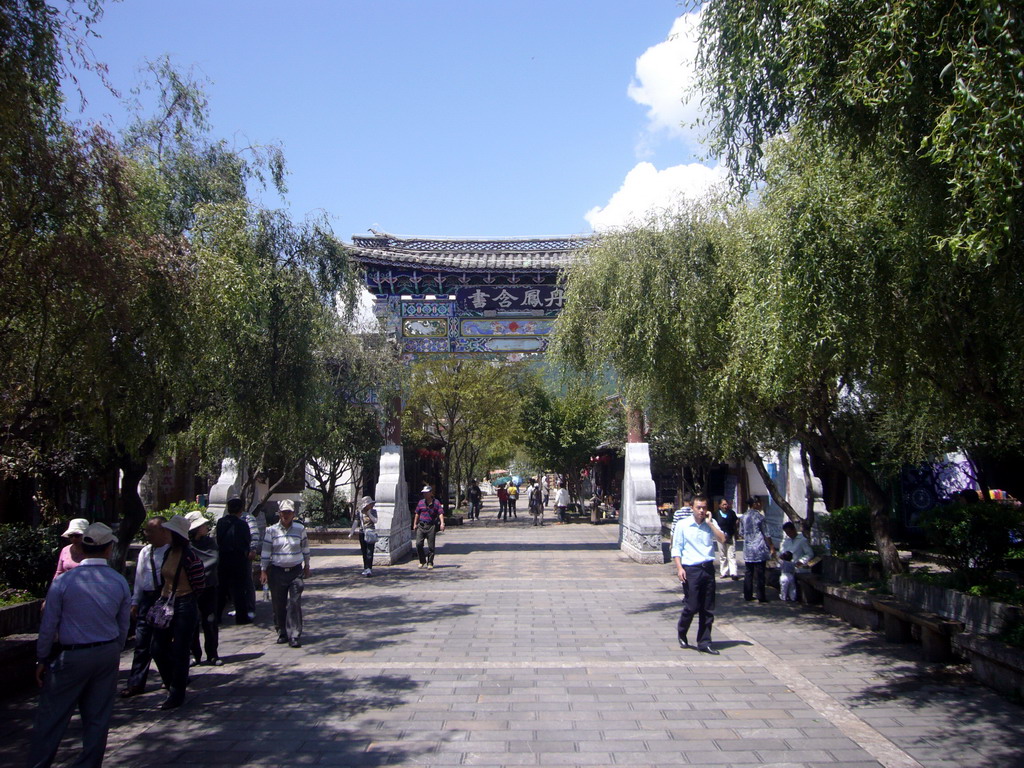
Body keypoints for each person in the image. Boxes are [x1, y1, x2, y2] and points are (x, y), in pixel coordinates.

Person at [28, 522, 130, 768]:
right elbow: (124, 624)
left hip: (72, 654)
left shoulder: (65, 582)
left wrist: (42, 657)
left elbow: (49, 624)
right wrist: (115, 648)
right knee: (97, 718)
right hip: (106, 652)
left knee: (52, 718)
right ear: (108, 550)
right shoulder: (118, 581)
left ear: (83, 549)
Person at [151, 515, 205, 709]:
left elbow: (199, 584)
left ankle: (177, 693)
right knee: (157, 647)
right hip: (166, 604)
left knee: (181, 649)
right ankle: (173, 679)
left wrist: (186, 598)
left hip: (184, 604)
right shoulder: (167, 553)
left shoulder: (190, 557)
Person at [671, 494, 726, 654]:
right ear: (692, 508)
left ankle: (704, 642)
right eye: (698, 508)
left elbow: (723, 539)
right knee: (692, 605)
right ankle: (682, 630)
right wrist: (679, 568)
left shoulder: (711, 523)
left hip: (707, 567)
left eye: (704, 508)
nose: (701, 511)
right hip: (691, 569)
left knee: (708, 608)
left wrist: (710, 524)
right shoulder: (683, 525)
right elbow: (677, 548)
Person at [121, 516, 170, 697]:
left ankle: (170, 678)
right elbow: (140, 580)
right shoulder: (145, 552)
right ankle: (136, 683)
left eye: (150, 530)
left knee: (162, 644)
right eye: (146, 530)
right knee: (142, 642)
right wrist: (135, 602)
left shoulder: (173, 552)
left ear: (164, 531)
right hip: (147, 600)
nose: (146, 534)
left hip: (165, 599)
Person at [260, 499, 310, 647]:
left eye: (289, 512)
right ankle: (282, 632)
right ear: (279, 513)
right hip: (277, 571)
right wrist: (263, 570)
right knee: (278, 604)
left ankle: (294, 634)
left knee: (295, 603)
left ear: (293, 514)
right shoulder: (271, 531)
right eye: (283, 512)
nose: (286, 515)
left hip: (295, 571)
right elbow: (266, 551)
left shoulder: (300, 529)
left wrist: (307, 565)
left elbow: (305, 548)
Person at [186, 510, 221, 667]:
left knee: (210, 620)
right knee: (192, 622)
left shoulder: (210, 542)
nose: (206, 527)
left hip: (209, 586)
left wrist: (198, 570)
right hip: (191, 588)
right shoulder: (187, 546)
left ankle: (212, 653)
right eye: (202, 525)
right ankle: (195, 654)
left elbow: (214, 559)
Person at [216, 497, 254, 625]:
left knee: (222, 588)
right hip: (238, 559)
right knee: (239, 588)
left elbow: (218, 540)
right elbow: (247, 541)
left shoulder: (221, 523)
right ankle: (241, 617)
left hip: (223, 558)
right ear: (241, 510)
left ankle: (216, 616)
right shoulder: (242, 524)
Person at [741, 497, 776, 603]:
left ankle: (748, 594)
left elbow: (741, 533)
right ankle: (761, 595)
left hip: (748, 548)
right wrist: (771, 546)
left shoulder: (743, 517)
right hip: (759, 547)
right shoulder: (760, 517)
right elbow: (766, 533)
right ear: (755, 504)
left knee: (748, 572)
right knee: (760, 573)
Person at [412, 485, 445, 569]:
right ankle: (422, 560)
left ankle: (430, 562)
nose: (425, 495)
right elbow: (417, 514)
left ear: (431, 493)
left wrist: (442, 523)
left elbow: (440, 513)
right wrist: (415, 524)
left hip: (431, 526)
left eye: (426, 493)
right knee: (418, 544)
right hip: (421, 525)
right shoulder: (421, 502)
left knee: (431, 546)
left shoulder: (436, 502)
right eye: (424, 493)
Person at [350, 496, 377, 576]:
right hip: (362, 532)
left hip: (371, 532)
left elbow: (375, 520)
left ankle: (369, 568)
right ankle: (366, 567)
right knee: (364, 551)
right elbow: (356, 522)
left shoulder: (373, 511)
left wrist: (369, 514)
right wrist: (352, 532)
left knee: (370, 551)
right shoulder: (360, 512)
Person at [713, 498, 739, 580]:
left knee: (731, 554)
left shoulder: (731, 513)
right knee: (722, 555)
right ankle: (724, 572)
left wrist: (736, 532)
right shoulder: (716, 514)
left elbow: (736, 522)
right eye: (723, 504)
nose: (725, 506)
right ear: (720, 505)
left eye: (726, 504)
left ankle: (733, 573)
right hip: (720, 537)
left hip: (730, 535)